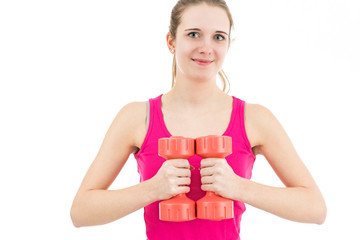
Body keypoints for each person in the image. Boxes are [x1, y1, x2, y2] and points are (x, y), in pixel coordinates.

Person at [70, 0, 327, 239]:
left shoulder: (255, 118)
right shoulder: (137, 117)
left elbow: (315, 208)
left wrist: (239, 187)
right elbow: (80, 212)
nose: (206, 48)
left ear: (227, 45)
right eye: (193, 34)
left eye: (218, 37)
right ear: (171, 41)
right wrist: (153, 189)